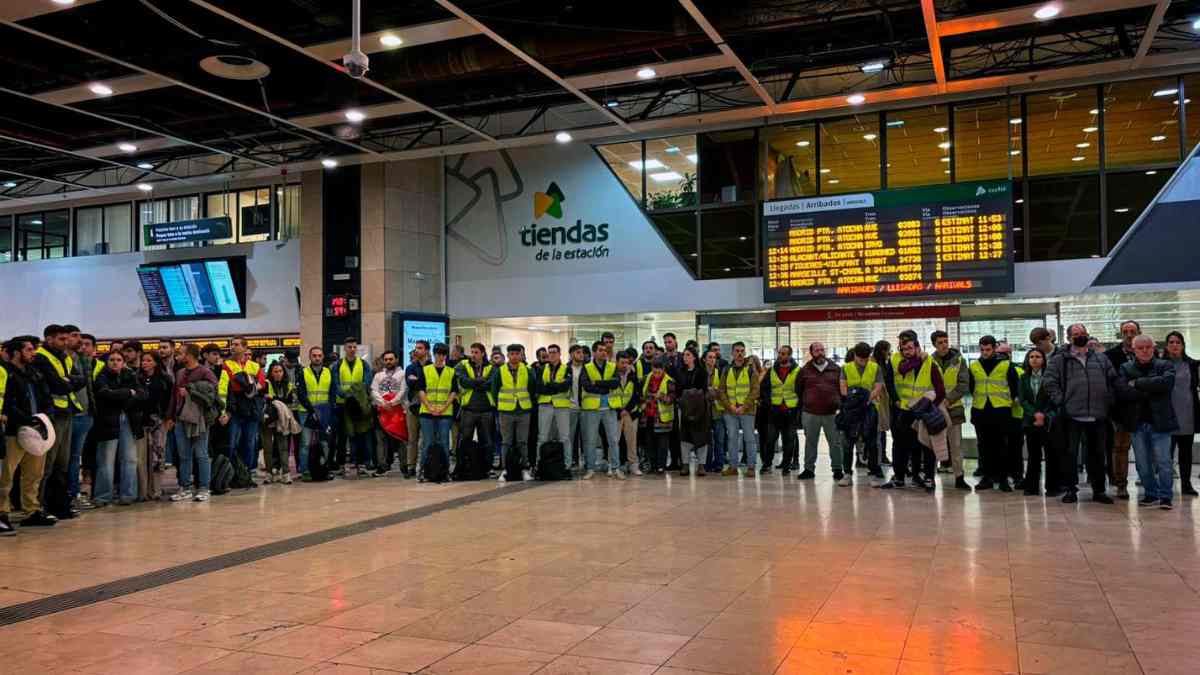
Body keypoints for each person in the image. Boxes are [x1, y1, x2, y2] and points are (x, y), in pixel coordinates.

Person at [1044, 323, 1117, 504]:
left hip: (1098, 414)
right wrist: (1061, 401)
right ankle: (1070, 489)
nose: (1080, 336)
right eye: (1076, 334)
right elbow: (1049, 382)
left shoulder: (1101, 358)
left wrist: (1108, 400)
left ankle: (1099, 490)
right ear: (1069, 338)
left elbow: (1113, 379)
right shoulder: (1060, 359)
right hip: (1071, 415)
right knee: (1070, 454)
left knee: (1098, 454)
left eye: (1082, 333)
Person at [1115, 335, 1177, 509]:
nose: (1144, 350)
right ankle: (1151, 494)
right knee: (1142, 464)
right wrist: (1150, 388)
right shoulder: (1125, 367)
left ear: (1154, 348)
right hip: (1137, 423)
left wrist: (1138, 383)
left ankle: (1166, 496)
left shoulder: (1165, 365)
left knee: (1164, 462)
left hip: (1161, 422)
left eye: (1148, 347)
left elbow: (1166, 384)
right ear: (1133, 350)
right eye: (1140, 348)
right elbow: (1122, 391)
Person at [0, 335, 55, 532]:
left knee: (34, 474)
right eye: (29, 350)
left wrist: (45, 416)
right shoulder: (6, 373)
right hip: (14, 431)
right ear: (16, 352)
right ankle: (2, 512)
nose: (33, 353)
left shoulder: (35, 373)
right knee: (6, 475)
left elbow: (46, 396)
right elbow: (7, 404)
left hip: (36, 430)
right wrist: (25, 419)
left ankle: (31, 510)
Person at [31, 324, 86, 520]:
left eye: (66, 339)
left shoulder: (64, 357)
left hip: (67, 412)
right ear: (49, 339)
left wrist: (67, 381)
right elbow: (58, 385)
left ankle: (59, 505)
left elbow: (81, 379)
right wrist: (68, 382)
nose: (66, 343)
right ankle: (39, 507)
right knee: (48, 463)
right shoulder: (41, 358)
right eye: (61, 339)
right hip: (51, 414)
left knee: (62, 463)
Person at [880, 333, 944, 492]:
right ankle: (899, 478)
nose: (906, 351)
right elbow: (899, 372)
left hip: (923, 410)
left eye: (910, 348)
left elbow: (940, 389)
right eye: (903, 348)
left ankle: (924, 478)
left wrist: (931, 406)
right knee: (900, 445)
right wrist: (894, 399)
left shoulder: (929, 362)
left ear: (917, 347)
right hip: (903, 409)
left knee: (924, 446)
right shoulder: (897, 359)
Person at [93, 351, 147, 507]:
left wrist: (120, 396)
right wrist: (128, 393)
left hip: (129, 420)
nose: (115, 362)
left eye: (118, 360)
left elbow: (142, 395)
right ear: (106, 362)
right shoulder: (101, 376)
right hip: (107, 422)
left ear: (123, 362)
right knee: (106, 460)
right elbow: (104, 394)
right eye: (112, 360)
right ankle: (103, 497)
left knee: (130, 459)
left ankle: (128, 495)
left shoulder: (130, 375)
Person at [969, 335, 1020, 492]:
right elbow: (972, 387)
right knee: (984, 447)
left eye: (988, 349)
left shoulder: (1006, 365)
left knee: (1001, 446)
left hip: (1001, 410)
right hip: (981, 410)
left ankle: (1003, 478)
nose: (985, 352)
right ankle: (987, 478)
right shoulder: (974, 365)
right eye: (982, 349)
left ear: (994, 348)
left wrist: (1007, 401)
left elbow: (1014, 387)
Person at [168, 343, 218, 502]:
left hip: (200, 419)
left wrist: (192, 390)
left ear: (189, 355)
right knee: (184, 455)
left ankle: (204, 487)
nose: (178, 356)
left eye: (181, 353)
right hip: (181, 418)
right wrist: (171, 416)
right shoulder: (180, 372)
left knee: (201, 454)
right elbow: (174, 397)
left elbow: (213, 394)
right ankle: (185, 487)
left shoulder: (206, 372)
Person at [218, 336, 266, 482]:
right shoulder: (227, 365)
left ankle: (247, 472)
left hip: (252, 410)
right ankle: (232, 473)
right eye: (233, 344)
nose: (233, 347)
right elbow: (224, 388)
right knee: (232, 443)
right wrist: (223, 412)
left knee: (250, 443)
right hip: (235, 409)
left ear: (245, 348)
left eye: (237, 344)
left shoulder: (254, 366)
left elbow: (262, 384)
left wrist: (249, 388)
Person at [1104, 320, 1141, 499]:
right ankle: (1121, 484)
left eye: (1132, 331)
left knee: (1146, 447)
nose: (1129, 334)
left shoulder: (1148, 352)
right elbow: (1111, 381)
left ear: (1138, 332)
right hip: (1120, 409)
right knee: (1120, 448)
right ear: (1121, 334)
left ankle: (1149, 482)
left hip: (1144, 408)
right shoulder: (1111, 355)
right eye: (1125, 331)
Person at [840, 342, 884, 486]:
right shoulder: (846, 368)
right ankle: (847, 474)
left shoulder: (875, 367)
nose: (864, 362)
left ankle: (873, 473)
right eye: (860, 359)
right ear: (855, 356)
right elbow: (843, 388)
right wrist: (854, 400)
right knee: (848, 442)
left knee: (872, 443)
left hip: (869, 408)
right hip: (851, 410)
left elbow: (878, 387)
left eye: (866, 358)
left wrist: (866, 399)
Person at [930, 330, 969, 488]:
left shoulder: (959, 360)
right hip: (935, 409)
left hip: (954, 408)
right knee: (933, 445)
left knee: (956, 445)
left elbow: (963, 384)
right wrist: (937, 401)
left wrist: (949, 399)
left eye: (946, 341)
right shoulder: (929, 361)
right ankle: (929, 478)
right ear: (934, 344)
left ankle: (959, 477)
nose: (944, 345)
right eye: (940, 342)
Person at [798, 341, 842, 482]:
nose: (820, 352)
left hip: (831, 413)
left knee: (835, 442)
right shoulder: (805, 370)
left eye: (822, 349)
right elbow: (798, 389)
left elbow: (842, 388)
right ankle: (809, 469)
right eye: (817, 350)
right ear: (811, 353)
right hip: (810, 413)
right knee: (810, 442)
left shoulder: (836, 369)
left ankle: (837, 469)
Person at [492, 344, 537, 482]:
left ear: (521, 355)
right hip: (506, 411)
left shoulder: (528, 370)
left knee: (522, 442)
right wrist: (500, 405)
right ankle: (506, 470)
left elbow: (532, 388)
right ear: (508, 355)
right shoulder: (500, 371)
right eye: (512, 354)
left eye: (517, 354)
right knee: (506, 442)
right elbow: (495, 390)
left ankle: (524, 468)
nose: (515, 356)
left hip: (523, 410)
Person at [580, 342, 623, 479]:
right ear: (594, 352)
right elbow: (586, 386)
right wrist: (605, 386)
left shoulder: (611, 366)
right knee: (591, 440)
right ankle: (590, 468)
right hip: (592, 408)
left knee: (613, 439)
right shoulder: (586, 367)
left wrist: (597, 382)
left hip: (609, 407)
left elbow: (615, 383)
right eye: (600, 350)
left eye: (605, 350)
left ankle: (616, 468)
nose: (603, 352)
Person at [1018, 348, 1059, 496]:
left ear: (1044, 360)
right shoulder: (1023, 378)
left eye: (1038, 357)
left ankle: (1053, 487)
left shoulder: (1050, 377)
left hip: (1048, 421)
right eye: (1031, 357)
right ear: (1028, 360)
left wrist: (1043, 415)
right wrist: (1035, 414)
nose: (1034, 359)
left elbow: (1053, 399)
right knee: (1033, 455)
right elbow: (1022, 400)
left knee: (1051, 455)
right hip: (1031, 422)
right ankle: (1032, 487)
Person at [1163, 331, 1198, 496]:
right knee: (1165, 455)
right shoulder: (1160, 364)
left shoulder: (1192, 364)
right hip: (1166, 415)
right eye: (1171, 342)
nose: (1174, 345)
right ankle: (1166, 485)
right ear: (1167, 346)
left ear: (1183, 345)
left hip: (1187, 414)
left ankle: (1186, 484)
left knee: (1186, 453)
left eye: (1178, 342)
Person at [718, 341, 760, 477]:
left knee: (749, 439)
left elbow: (755, 390)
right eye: (737, 351)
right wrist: (729, 406)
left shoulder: (750, 370)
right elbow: (721, 390)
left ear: (745, 352)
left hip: (747, 410)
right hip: (730, 411)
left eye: (742, 351)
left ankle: (751, 467)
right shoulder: (726, 369)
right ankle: (733, 467)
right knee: (732, 438)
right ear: (732, 353)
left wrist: (744, 406)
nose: (740, 353)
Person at [66, 327, 97, 510]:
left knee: (76, 458)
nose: (80, 341)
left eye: (84, 340)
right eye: (75, 337)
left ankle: (75, 493)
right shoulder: (61, 359)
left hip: (85, 415)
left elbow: (89, 387)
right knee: (67, 459)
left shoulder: (84, 360)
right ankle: (69, 494)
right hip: (69, 415)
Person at [416, 343, 457, 481]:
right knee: (427, 442)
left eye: (443, 354)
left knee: (445, 443)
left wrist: (444, 407)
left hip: (445, 413)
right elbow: (421, 391)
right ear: (433, 354)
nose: (440, 357)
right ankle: (423, 471)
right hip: (427, 413)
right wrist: (430, 407)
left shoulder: (451, 371)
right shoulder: (425, 370)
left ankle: (444, 471)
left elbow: (453, 392)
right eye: (438, 354)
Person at [333, 337, 373, 476]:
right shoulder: (338, 365)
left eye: (354, 347)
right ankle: (342, 464)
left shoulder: (364, 365)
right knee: (343, 437)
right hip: (342, 404)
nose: (352, 349)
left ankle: (360, 463)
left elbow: (366, 383)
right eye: (349, 347)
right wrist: (347, 395)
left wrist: (355, 397)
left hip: (358, 405)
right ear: (344, 348)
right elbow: (336, 384)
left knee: (359, 434)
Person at [136, 352, 172, 500]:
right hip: (140, 421)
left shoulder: (165, 379)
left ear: (156, 363)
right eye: (143, 360)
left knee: (158, 455)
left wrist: (169, 418)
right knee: (142, 457)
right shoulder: (136, 378)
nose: (144, 363)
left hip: (160, 421)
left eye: (148, 360)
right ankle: (143, 491)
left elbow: (171, 400)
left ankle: (156, 490)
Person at [760, 345, 801, 475]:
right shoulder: (772, 370)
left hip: (791, 410)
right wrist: (769, 402)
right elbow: (765, 388)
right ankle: (767, 464)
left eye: (783, 354)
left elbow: (802, 389)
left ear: (790, 355)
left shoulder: (797, 371)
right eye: (780, 353)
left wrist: (798, 405)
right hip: (775, 410)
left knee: (789, 439)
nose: (780, 356)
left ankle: (786, 466)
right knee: (770, 439)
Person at [295, 346, 334, 481]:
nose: (317, 358)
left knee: (325, 443)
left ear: (322, 357)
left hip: (324, 412)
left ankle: (325, 469)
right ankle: (305, 471)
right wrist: (312, 410)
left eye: (319, 355)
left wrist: (329, 409)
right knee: (305, 443)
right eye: (314, 356)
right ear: (310, 357)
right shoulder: (303, 372)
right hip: (306, 412)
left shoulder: (328, 372)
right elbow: (301, 394)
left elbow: (332, 393)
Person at [455, 343, 496, 469]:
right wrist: (479, 381)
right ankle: (462, 465)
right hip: (469, 409)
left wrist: (474, 383)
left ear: (483, 353)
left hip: (486, 409)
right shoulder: (463, 365)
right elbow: (463, 382)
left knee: (487, 441)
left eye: (476, 352)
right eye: (472, 352)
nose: (473, 355)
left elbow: (490, 384)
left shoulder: (492, 367)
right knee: (464, 440)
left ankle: (486, 467)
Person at [535, 344, 573, 470]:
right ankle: (539, 464)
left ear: (559, 353)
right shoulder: (541, 369)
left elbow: (565, 386)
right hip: (545, 405)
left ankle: (567, 466)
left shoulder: (567, 369)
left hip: (562, 406)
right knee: (543, 437)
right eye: (549, 352)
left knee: (565, 437)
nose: (551, 354)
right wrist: (556, 385)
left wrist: (550, 385)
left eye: (554, 352)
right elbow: (540, 388)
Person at [369, 350, 406, 477]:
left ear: (396, 360)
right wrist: (383, 403)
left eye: (391, 359)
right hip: (381, 412)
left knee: (401, 440)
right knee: (380, 440)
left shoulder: (403, 374)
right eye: (386, 360)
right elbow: (373, 391)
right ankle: (381, 466)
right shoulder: (378, 376)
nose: (388, 362)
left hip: (398, 412)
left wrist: (393, 402)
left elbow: (403, 391)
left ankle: (404, 466)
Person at [675, 346, 710, 477]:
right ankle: (685, 465)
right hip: (684, 408)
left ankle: (701, 465)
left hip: (700, 408)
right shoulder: (680, 372)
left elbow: (703, 389)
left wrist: (688, 393)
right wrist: (683, 397)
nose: (685, 357)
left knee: (701, 436)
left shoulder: (702, 372)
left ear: (694, 357)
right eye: (684, 355)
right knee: (685, 437)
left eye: (688, 355)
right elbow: (678, 390)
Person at [262, 361, 299, 483]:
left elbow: (289, 399)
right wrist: (276, 399)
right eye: (275, 371)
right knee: (267, 447)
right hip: (268, 418)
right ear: (271, 373)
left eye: (280, 371)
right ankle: (269, 473)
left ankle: (286, 473)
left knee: (283, 446)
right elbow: (264, 397)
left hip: (282, 418)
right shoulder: (266, 383)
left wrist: (273, 398)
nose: (278, 374)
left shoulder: (288, 384)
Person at [640, 356, 675, 474]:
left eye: (659, 371)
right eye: (654, 371)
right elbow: (642, 394)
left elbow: (671, 399)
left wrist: (661, 397)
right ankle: (652, 464)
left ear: (663, 369)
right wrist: (644, 402)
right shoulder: (646, 378)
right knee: (649, 442)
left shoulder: (669, 381)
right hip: (648, 415)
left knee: (662, 444)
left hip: (662, 418)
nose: (656, 374)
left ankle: (661, 466)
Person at [402, 342, 429, 478]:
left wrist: (418, 380)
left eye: (420, 348)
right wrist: (420, 381)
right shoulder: (411, 367)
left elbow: (428, 384)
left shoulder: (431, 367)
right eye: (416, 348)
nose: (417, 350)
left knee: (425, 439)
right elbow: (410, 383)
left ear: (426, 350)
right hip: (413, 407)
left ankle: (423, 465)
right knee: (412, 439)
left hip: (428, 406)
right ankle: (411, 467)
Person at [615, 350, 642, 476]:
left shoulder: (633, 375)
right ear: (617, 362)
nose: (625, 365)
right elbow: (610, 394)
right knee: (614, 441)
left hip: (631, 413)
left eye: (627, 362)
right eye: (622, 362)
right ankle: (614, 465)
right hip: (616, 413)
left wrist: (627, 409)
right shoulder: (612, 375)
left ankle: (633, 465)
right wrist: (619, 410)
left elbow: (637, 395)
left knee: (632, 441)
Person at [704, 349, 726, 472]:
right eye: (710, 357)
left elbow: (722, 391)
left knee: (719, 439)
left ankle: (719, 463)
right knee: (707, 440)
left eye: (714, 357)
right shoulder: (701, 373)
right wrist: (711, 391)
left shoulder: (720, 373)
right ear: (705, 359)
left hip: (718, 410)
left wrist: (714, 391)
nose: (712, 360)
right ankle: (707, 463)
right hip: (705, 411)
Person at [872, 340, 893, 467]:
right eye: (888, 350)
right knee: (876, 430)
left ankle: (882, 456)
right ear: (882, 350)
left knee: (882, 429)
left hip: (884, 402)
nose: (889, 353)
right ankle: (876, 458)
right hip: (876, 401)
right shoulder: (873, 363)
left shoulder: (884, 363)